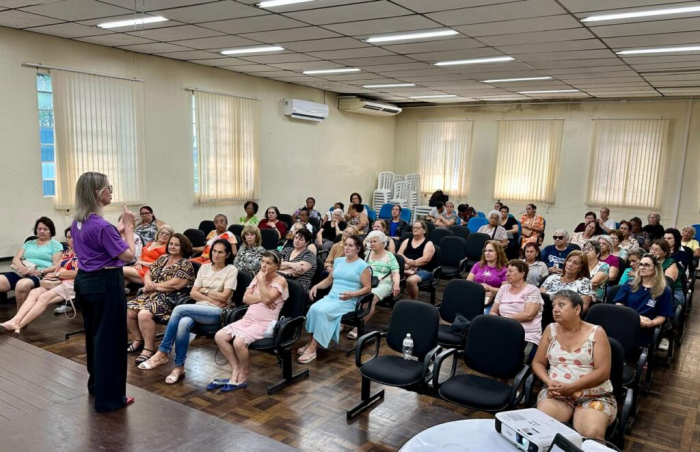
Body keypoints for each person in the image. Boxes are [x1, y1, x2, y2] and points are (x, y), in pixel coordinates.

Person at [70, 172, 136, 411]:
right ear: (98, 193)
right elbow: (129, 256)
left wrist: (117, 230)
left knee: (95, 337)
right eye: (109, 187)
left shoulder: (78, 222)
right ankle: (110, 399)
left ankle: (97, 386)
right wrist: (129, 227)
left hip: (85, 282)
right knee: (111, 341)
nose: (111, 192)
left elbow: (99, 242)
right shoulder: (102, 226)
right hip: (105, 284)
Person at [138, 239, 238, 384]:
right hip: (198, 307)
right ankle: (179, 367)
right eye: (214, 251)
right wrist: (209, 295)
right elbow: (193, 293)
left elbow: (224, 297)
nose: (216, 255)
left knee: (179, 309)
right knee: (183, 323)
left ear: (227, 254)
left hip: (218, 312)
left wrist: (203, 291)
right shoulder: (204, 268)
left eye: (220, 252)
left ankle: (162, 352)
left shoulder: (231, 270)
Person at [533, 290, 617, 442]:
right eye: (553, 305)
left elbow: (603, 372)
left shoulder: (596, 332)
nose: (555, 309)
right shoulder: (550, 329)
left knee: (591, 433)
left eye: (561, 305)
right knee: (540, 425)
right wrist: (548, 382)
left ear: (577, 309)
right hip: (557, 393)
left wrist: (571, 387)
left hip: (593, 395)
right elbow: (538, 362)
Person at [212, 250, 288, 391]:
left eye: (268, 263)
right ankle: (236, 368)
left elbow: (267, 300)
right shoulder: (258, 276)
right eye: (263, 261)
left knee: (239, 342)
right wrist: (262, 298)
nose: (263, 265)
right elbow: (245, 299)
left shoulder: (280, 281)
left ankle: (245, 372)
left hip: (264, 323)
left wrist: (261, 284)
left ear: (277, 266)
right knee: (220, 336)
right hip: (248, 319)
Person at [298, 235, 371, 363]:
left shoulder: (363, 266)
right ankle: (310, 342)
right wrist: (316, 286)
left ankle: (313, 348)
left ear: (358, 248)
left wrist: (353, 294)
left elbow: (368, 288)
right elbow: (328, 280)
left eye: (350, 245)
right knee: (313, 309)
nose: (346, 248)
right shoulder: (338, 261)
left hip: (348, 300)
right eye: (346, 245)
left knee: (323, 312)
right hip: (332, 297)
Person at [126, 234, 196, 366]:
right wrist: (148, 282)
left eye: (176, 245)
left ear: (183, 247)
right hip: (152, 294)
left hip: (170, 298)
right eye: (171, 244)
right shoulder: (163, 258)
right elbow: (149, 272)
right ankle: (139, 340)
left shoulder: (186, 264)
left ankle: (148, 349)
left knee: (144, 314)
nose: (172, 246)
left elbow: (175, 284)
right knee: (129, 310)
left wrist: (153, 286)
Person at [0, 227, 78, 334]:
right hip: (58, 281)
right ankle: (15, 320)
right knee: (34, 292)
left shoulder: (85, 253)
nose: (71, 239)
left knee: (43, 297)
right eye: (68, 237)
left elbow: (78, 273)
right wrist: (52, 275)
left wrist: (56, 274)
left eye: (74, 237)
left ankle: (19, 325)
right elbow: (59, 267)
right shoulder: (67, 251)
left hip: (72, 283)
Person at [0, 217, 63, 307]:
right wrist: (22, 267)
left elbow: (57, 265)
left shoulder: (55, 245)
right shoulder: (29, 243)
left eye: (45, 229)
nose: (42, 231)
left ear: (51, 231)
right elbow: (16, 258)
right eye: (39, 229)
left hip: (40, 274)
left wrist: (40, 271)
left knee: (22, 284)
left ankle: (21, 314)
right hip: (21, 272)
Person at [349, 230, 401, 339]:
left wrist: (396, 284)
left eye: (375, 241)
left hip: (383, 283)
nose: (371, 243)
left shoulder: (390, 256)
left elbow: (395, 273)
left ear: (383, 243)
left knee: (370, 298)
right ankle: (346, 322)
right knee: (350, 293)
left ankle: (358, 327)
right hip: (367, 281)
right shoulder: (367, 254)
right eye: (370, 241)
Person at [614, 253, 674, 346]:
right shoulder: (630, 283)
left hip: (646, 328)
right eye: (641, 264)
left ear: (656, 268)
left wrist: (650, 323)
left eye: (646, 265)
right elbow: (619, 304)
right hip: (626, 321)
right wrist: (635, 317)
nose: (642, 267)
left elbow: (662, 317)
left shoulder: (664, 290)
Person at [490, 260, 544, 362]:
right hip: (503, 332)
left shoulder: (532, 290)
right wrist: (498, 322)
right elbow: (493, 311)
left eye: (511, 271)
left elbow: (528, 315)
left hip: (526, 336)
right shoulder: (503, 288)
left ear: (522, 273)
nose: (507, 274)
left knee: (510, 361)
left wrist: (504, 320)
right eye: (507, 271)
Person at [398, 221, 435, 300]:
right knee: (391, 275)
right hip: (406, 267)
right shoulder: (407, 241)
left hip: (423, 269)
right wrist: (407, 261)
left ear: (424, 230)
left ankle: (414, 301)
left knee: (411, 280)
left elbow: (426, 259)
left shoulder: (428, 243)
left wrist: (412, 264)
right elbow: (399, 254)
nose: (415, 229)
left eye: (418, 228)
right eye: (414, 228)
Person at [467, 240, 508, 309]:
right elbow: (467, 283)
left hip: (494, 297)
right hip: (475, 292)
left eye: (490, 251)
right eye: (485, 251)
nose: (487, 253)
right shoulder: (478, 265)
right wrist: (479, 287)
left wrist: (489, 288)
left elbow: (505, 291)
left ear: (498, 252)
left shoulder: (504, 269)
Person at [278, 228, 317, 294]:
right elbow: (275, 264)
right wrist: (291, 265)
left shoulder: (309, 255)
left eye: (300, 239)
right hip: (281, 279)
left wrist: (281, 266)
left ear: (307, 242)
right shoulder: (287, 250)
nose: (296, 241)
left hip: (298, 286)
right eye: (296, 238)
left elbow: (298, 271)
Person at [650, 239, 684, 307]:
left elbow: (667, 284)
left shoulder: (671, 264)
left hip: (673, 293)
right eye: (652, 249)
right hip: (652, 291)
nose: (653, 251)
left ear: (665, 253)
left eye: (656, 250)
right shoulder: (649, 262)